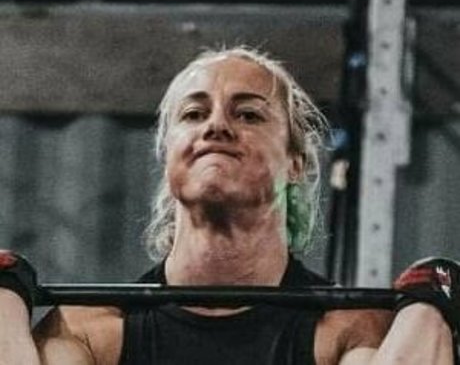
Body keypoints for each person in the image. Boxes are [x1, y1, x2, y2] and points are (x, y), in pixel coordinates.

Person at [0, 47, 457, 364]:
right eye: (194, 114)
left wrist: (429, 310)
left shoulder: (347, 330)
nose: (216, 126)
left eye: (248, 114)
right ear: (168, 157)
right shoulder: (89, 330)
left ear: (295, 162)